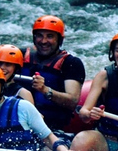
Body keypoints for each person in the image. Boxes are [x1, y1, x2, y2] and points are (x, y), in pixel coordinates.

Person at [19, 15, 86, 143]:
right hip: (19, 124)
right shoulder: (20, 55)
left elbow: (72, 101)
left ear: (59, 40)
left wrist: (45, 90)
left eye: (50, 36)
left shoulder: (71, 63)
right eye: (39, 36)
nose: (43, 41)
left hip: (53, 128)